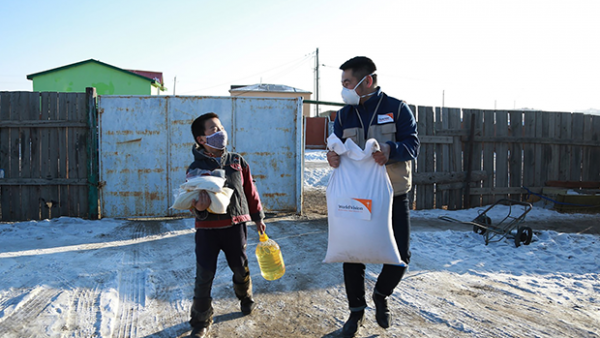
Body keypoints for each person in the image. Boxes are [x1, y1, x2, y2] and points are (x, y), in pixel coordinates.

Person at [327, 56, 419, 338]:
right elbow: (334, 145)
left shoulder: (397, 109)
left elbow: (412, 144)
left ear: (367, 81)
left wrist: (391, 150)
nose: (344, 89)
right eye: (342, 83)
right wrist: (331, 156)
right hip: (355, 197)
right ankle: (355, 314)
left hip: (393, 194)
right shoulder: (344, 115)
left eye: (348, 83)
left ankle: (381, 294)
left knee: (400, 255)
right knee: (352, 254)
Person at [187, 112, 266, 338]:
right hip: (207, 231)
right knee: (204, 275)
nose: (220, 132)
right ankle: (201, 320)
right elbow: (189, 199)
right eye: (213, 130)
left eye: (220, 127)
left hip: (235, 227)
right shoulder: (195, 168)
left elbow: (250, 190)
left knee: (240, 268)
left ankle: (245, 296)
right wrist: (198, 209)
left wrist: (258, 216)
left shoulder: (237, 161)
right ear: (201, 139)